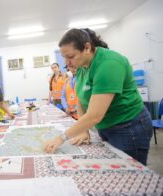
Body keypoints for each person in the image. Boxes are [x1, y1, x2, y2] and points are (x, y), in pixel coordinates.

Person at [44, 28, 153, 166]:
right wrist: (83, 129)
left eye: (70, 57)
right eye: (64, 57)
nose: (67, 63)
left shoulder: (108, 64)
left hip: (128, 126)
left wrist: (61, 138)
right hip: (106, 126)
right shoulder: (83, 66)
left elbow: (95, 115)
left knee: (130, 173)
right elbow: (81, 100)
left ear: (87, 48)